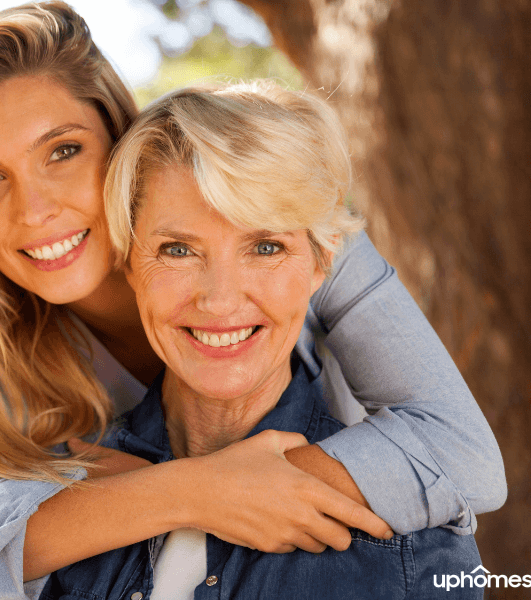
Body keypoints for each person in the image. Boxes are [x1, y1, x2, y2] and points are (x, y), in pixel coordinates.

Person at [0, 2, 505, 597]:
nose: (35, 209)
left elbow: (464, 456)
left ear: (116, 141)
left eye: (62, 151)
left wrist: (158, 489)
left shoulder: (282, 215)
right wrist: (191, 492)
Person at [38, 81, 482, 600]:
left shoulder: (414, 532)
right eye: (178, 249)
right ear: (128, 264)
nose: (221, 301)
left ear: (322, 262)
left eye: (266, 246)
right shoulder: (46, 502)